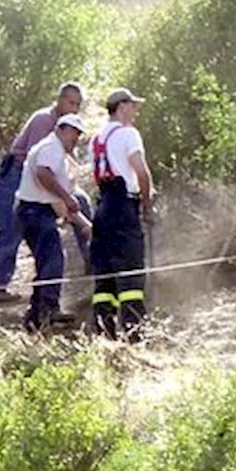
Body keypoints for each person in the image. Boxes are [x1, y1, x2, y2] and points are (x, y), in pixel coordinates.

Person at [0, 82, 92, 303]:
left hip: (36, 176)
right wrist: (61, 198)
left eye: (78, 105)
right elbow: (38, 167)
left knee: (82, 201)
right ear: (60, 100)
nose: (74, 108)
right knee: (10, 230)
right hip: (16, 176)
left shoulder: (66, 128)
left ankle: (93, 260)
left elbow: (58, 164)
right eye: (71, 102)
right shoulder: (45, 120)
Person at [14, 113, 90, 331]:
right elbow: (43, 175)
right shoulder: (51, 148)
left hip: (35, 211)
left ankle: (35, 317)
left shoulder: (57, 154)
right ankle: (48, 309)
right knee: (54, 257)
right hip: (34, 211)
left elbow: (60, 201)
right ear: (61, 130)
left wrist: (85, 226)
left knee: (46, 262)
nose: (74, 141)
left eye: (77, 137)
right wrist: (67, 198)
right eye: (72, 136)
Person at [88, 88, 154, 340]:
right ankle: (136, 334)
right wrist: (146, 206)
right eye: (133, 106)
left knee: (104, 276)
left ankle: (104, 335)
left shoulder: (98, 137)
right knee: (131, 272)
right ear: (122, 106)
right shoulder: (128, 134)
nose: (136, 111)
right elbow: (141, 172)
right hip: (123, 207)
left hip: (102, 207)